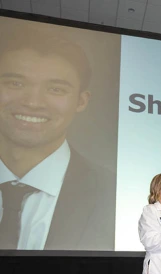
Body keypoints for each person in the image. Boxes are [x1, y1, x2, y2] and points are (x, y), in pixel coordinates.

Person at [0, 29, 115, 250]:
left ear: (81, 101)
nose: (33, 102)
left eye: (55, 89)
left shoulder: (114, 194)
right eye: (15, 84)